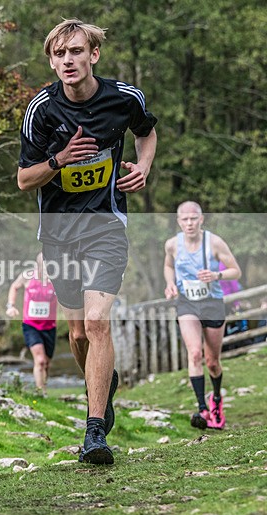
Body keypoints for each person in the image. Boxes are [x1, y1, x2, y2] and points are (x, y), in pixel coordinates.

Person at [17, 19, 158, 464]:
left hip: (105, 226)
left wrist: (144, 165)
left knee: (97, 323)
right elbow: (24, 179)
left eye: (76, 52)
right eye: (59, 55)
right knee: (77, 333)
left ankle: (94, 431)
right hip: (58, 233)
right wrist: (59, 160)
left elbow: (146, 131)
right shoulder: (41, 109)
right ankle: (103, 385)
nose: (68, 61)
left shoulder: (123, 98)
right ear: (52, 62)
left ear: (93, 55)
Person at [164, 201, 241, 431]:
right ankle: (202, 409)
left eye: (193, 219)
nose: (189, 223)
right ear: (178, 221)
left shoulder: (214, 242)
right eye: (184, 219)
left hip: (212, 304)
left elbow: (235, 270)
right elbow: (168, 266)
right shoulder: (172, 245)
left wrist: (216, 275)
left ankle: (216, 399)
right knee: (195, 353)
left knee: (213, 362)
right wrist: (170, 284)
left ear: (201, 219)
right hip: (187, 304)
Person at [6, 253, 58, 393]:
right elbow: (14, 287)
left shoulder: (57, 279)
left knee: (46, 363)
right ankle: (41, 391)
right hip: (31, 325)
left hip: (49, 326)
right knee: (40, 360)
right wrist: (11, 306)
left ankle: (43, 385)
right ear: (37, 264)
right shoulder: (28, 276)